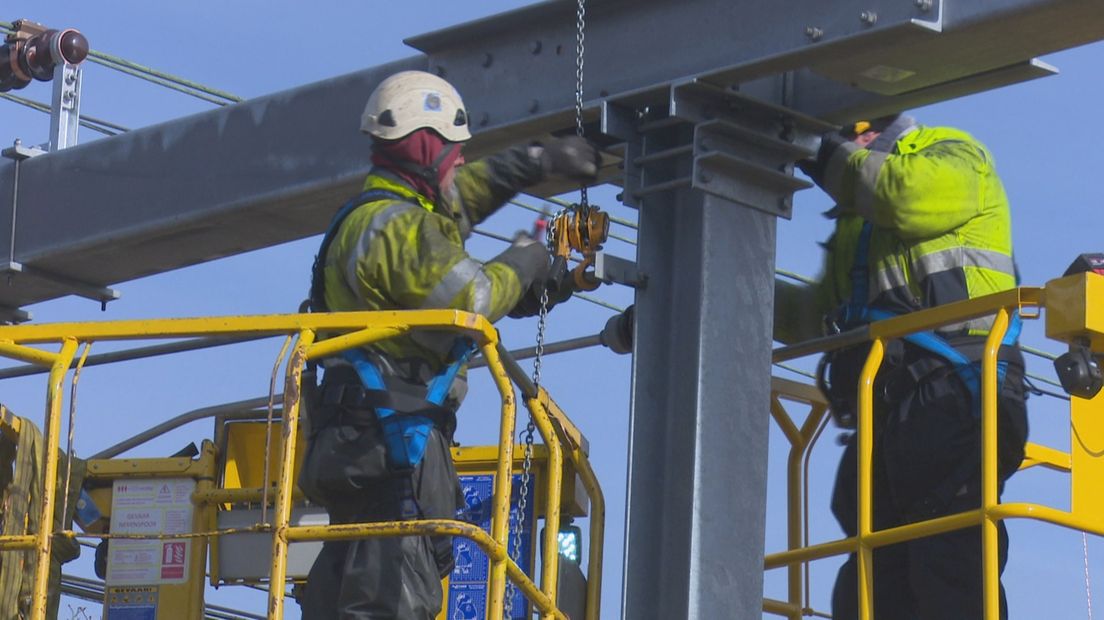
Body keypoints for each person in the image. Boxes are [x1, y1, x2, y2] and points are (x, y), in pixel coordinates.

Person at [297, 70, 599, 619]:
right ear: (424, 148)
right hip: (389, 442)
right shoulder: (398, 229)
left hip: (365, 440)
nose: (460, 161)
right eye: (453, 150)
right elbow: (476, 298)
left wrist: (536, 162)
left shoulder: (389, 217)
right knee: (391, 597)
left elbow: (463, 200)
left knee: (348, 591)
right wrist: (526, 258)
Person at [776, 114, 1029, 619]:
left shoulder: (954, 155)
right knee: (869, 579)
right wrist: (718, 286)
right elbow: (814, 315)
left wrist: (818, 149)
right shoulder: (858, 222)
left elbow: (901, 196)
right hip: (888, 411)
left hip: (955, 396)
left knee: (949, 562)